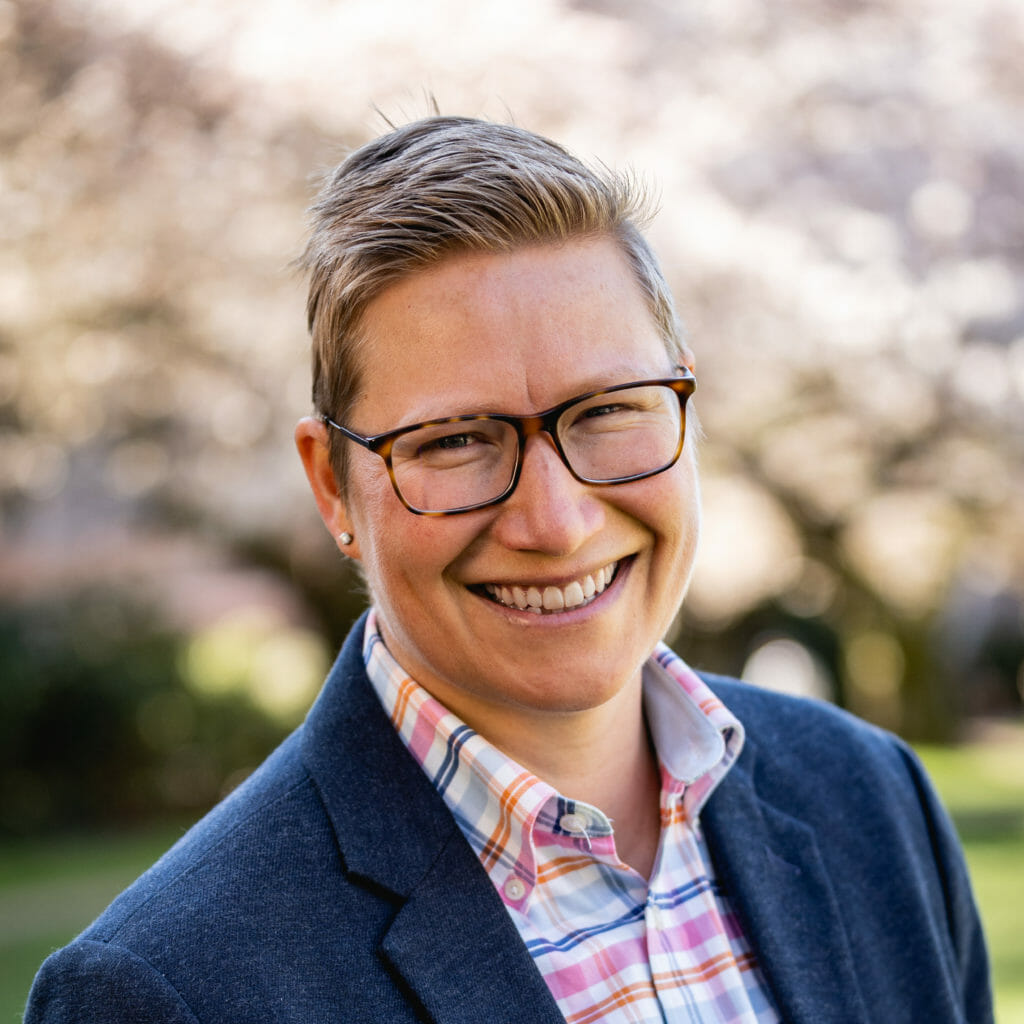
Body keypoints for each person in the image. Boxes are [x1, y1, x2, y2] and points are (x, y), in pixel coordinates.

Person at [26, 116, 992, 1024]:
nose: (555, 522)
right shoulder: (168, 992)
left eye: (609, 410)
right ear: (331, 486)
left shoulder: (871, 798)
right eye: (454, 441)